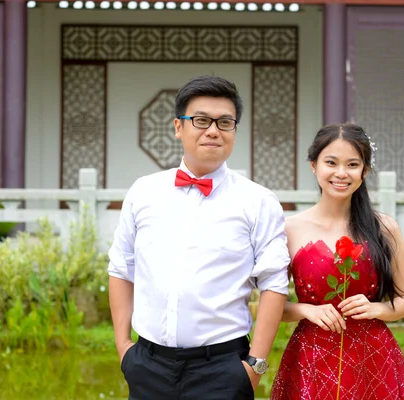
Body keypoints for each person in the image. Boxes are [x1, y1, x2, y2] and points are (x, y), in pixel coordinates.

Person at [107, 75, 290, 400]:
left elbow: (274, 282)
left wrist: (254, 366)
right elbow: (122, 268)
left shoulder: (258, 201)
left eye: (225, 122)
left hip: (223, 370)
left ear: (234, 131)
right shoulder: (143, 192)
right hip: (147, 366)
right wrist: (124, 347)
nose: (213, 130)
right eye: (201, 120)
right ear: (179, 127)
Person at [271, 123, 404, 400]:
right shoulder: (288, 228)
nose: (341, 173)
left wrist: (376, 309)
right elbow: (268, 307)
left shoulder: (384, 228)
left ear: (365, 171)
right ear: (314, 166)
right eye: (331, 162)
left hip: (373, 358)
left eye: (352, 164)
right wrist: (306, 310)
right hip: (311, 359)